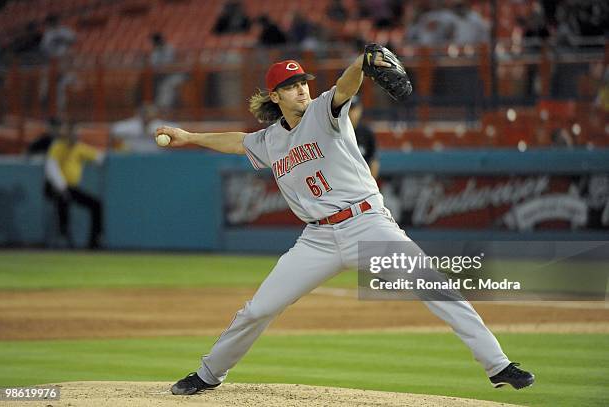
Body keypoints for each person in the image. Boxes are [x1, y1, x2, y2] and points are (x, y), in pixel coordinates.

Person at [155, 53, 534, 395]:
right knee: (257, 310)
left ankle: (498, 365)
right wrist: (189, 136)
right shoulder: (270, 140)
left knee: (434, 286)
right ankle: (209, 373)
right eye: (290, 86)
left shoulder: (324, 111)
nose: (301, 89)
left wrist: (362, 61)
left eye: (302, 82)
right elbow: (238, 142)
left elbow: (346, 84)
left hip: (367, 224)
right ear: (275, 96)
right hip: (317, 239)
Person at [44, 122, 104, 249]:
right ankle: (63, 233)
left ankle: (94, 241)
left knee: (96, 204)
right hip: (54, 186)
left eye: (76, 133)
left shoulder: (79, 147)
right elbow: (51, 168)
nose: (74, 136)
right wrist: (62, 186)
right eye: (71, 133)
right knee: (62, 198)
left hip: (71, 188)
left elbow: (100, 157)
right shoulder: (57, 147)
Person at [110, 104, 177, 152]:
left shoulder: (159, 124)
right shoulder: (131, 125)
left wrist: (153, 133)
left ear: (154, 115)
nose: (146, 116)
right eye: (144, 114)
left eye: (149, 114)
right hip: (133, 156)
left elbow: (178, 130)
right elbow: (115, 130)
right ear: (139, 114)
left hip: (157, 156)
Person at [348, 95, 379, 179]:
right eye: (348, 108)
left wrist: (371, 185)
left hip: (363, 183)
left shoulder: (367, 133)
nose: (350, 113)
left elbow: (373, 161)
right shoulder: (336, 132)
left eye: (353, 109)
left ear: (360, 109)